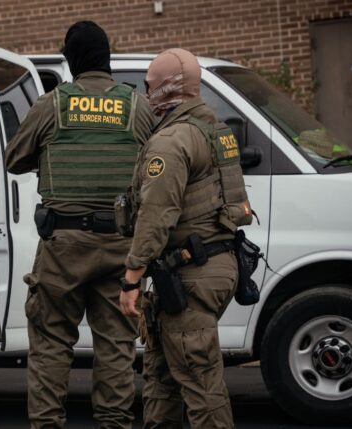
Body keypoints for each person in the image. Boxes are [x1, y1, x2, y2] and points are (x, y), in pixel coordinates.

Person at [7, 21, 155, 428]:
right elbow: (155, 169)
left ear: (72, 60)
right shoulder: (138, 106)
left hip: (64, 245)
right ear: (107, 58)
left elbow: (13, 159)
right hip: (120, 244)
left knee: (52, 344)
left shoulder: (52, 104)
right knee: (116, 347)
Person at [119, 48, 252, 429]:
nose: (146, 94)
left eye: (149, 85)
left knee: (198, 382)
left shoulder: (171, 141)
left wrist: (131, 278)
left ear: (165, 89)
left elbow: (156, 217)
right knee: (162, 377)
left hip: (189, 274)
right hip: (210, 266)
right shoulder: (215, 130)